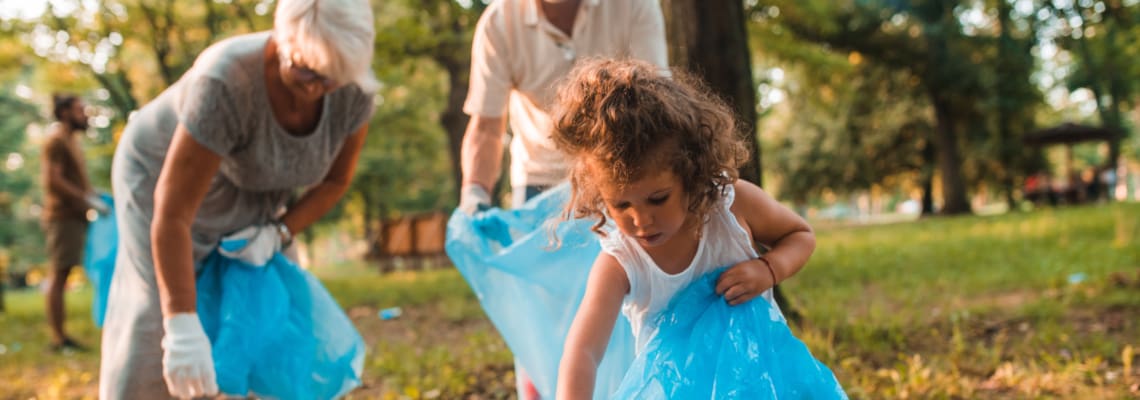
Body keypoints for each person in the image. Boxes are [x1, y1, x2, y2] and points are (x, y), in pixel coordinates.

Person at [98, 0, 377, 397]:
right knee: (161, 308)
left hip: (261, 187)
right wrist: (181, 324)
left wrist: (279, 233)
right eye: (304, 72)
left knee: (267, 301)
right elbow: (173, 213)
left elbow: (334, 182)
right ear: (281, 39)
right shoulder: (227, 81)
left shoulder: (354, 88)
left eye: (329, 80)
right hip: (162, 179)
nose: (315, 88)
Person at [550, 59, 817, 399]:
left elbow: (800, 235)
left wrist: (769, 268)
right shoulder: (621, 263)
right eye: (621, 205)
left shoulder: (731, 208)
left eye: (658, 199)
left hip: (760, 380)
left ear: (690, 173)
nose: (642, 220)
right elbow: (582, 352)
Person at [456, 1, 668, 397]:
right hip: (541, 188)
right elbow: (486, 126)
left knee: (626, 308)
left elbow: (657, 100)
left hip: (620, 182)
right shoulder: (500, 24)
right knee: (541, 323)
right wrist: (474, 195)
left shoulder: (634, 7)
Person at [40, 93, 108, 352]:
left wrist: (92, 194)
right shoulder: (56, 140)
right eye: (80, 109)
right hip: (62, 216)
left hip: (75, 216)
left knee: (65, 273)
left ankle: (62, 336)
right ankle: (59, 338)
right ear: (65, 112)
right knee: (59, 274)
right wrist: (85, 199)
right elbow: (52, 180)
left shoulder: (71, 142)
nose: (85, 114)